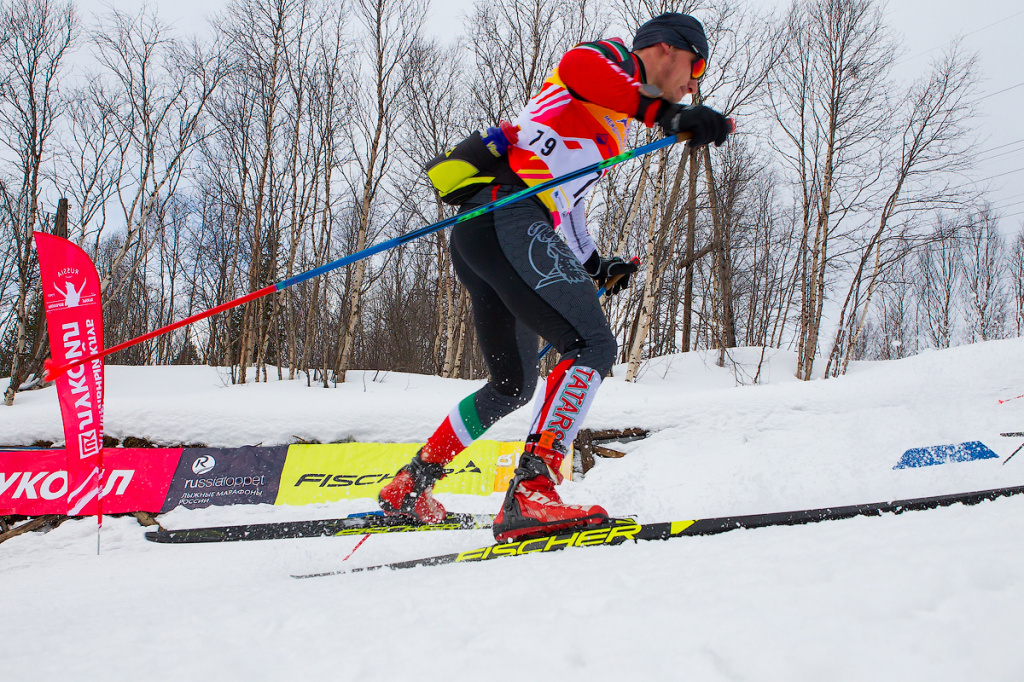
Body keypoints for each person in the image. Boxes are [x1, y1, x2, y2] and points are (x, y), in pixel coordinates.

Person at [379, 13, 733, 543]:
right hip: (507, 217)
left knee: (513, 385)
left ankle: (410, 485)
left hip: (490, 231)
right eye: (695, 64)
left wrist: (595, 265)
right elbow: (576, 65)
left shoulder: (611, 123)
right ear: (666, 49)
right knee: (591, 344)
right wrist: (666, 113)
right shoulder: (615, 63)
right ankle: (532, 491)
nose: (694, 81)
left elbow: (566, 206)